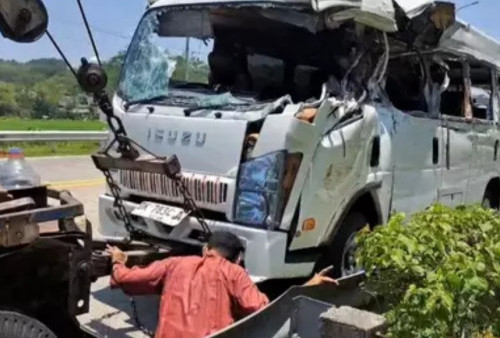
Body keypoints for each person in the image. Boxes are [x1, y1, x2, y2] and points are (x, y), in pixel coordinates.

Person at [106, 231, 337, 338]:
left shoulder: (174, 263)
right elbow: (263, 309)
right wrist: (309, 284)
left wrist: (118, 262)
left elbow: (127, 279)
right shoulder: (235, 272)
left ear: (206, 250)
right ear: (238, 259)